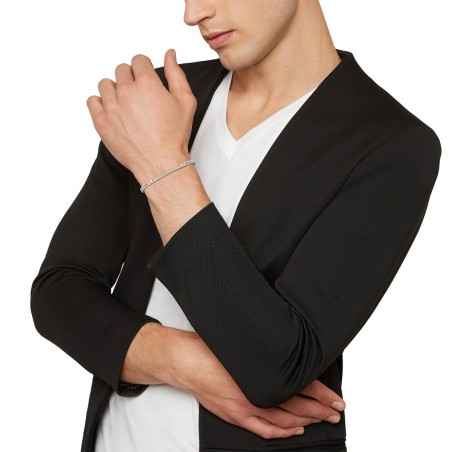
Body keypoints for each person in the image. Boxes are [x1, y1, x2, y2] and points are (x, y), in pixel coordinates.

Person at [30, 1, 442, 451]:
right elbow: (58, 293)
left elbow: (275, 367)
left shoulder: (391, 145)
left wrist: (164, 166)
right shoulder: (157, 102)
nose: (193, 14)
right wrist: (185, 364)